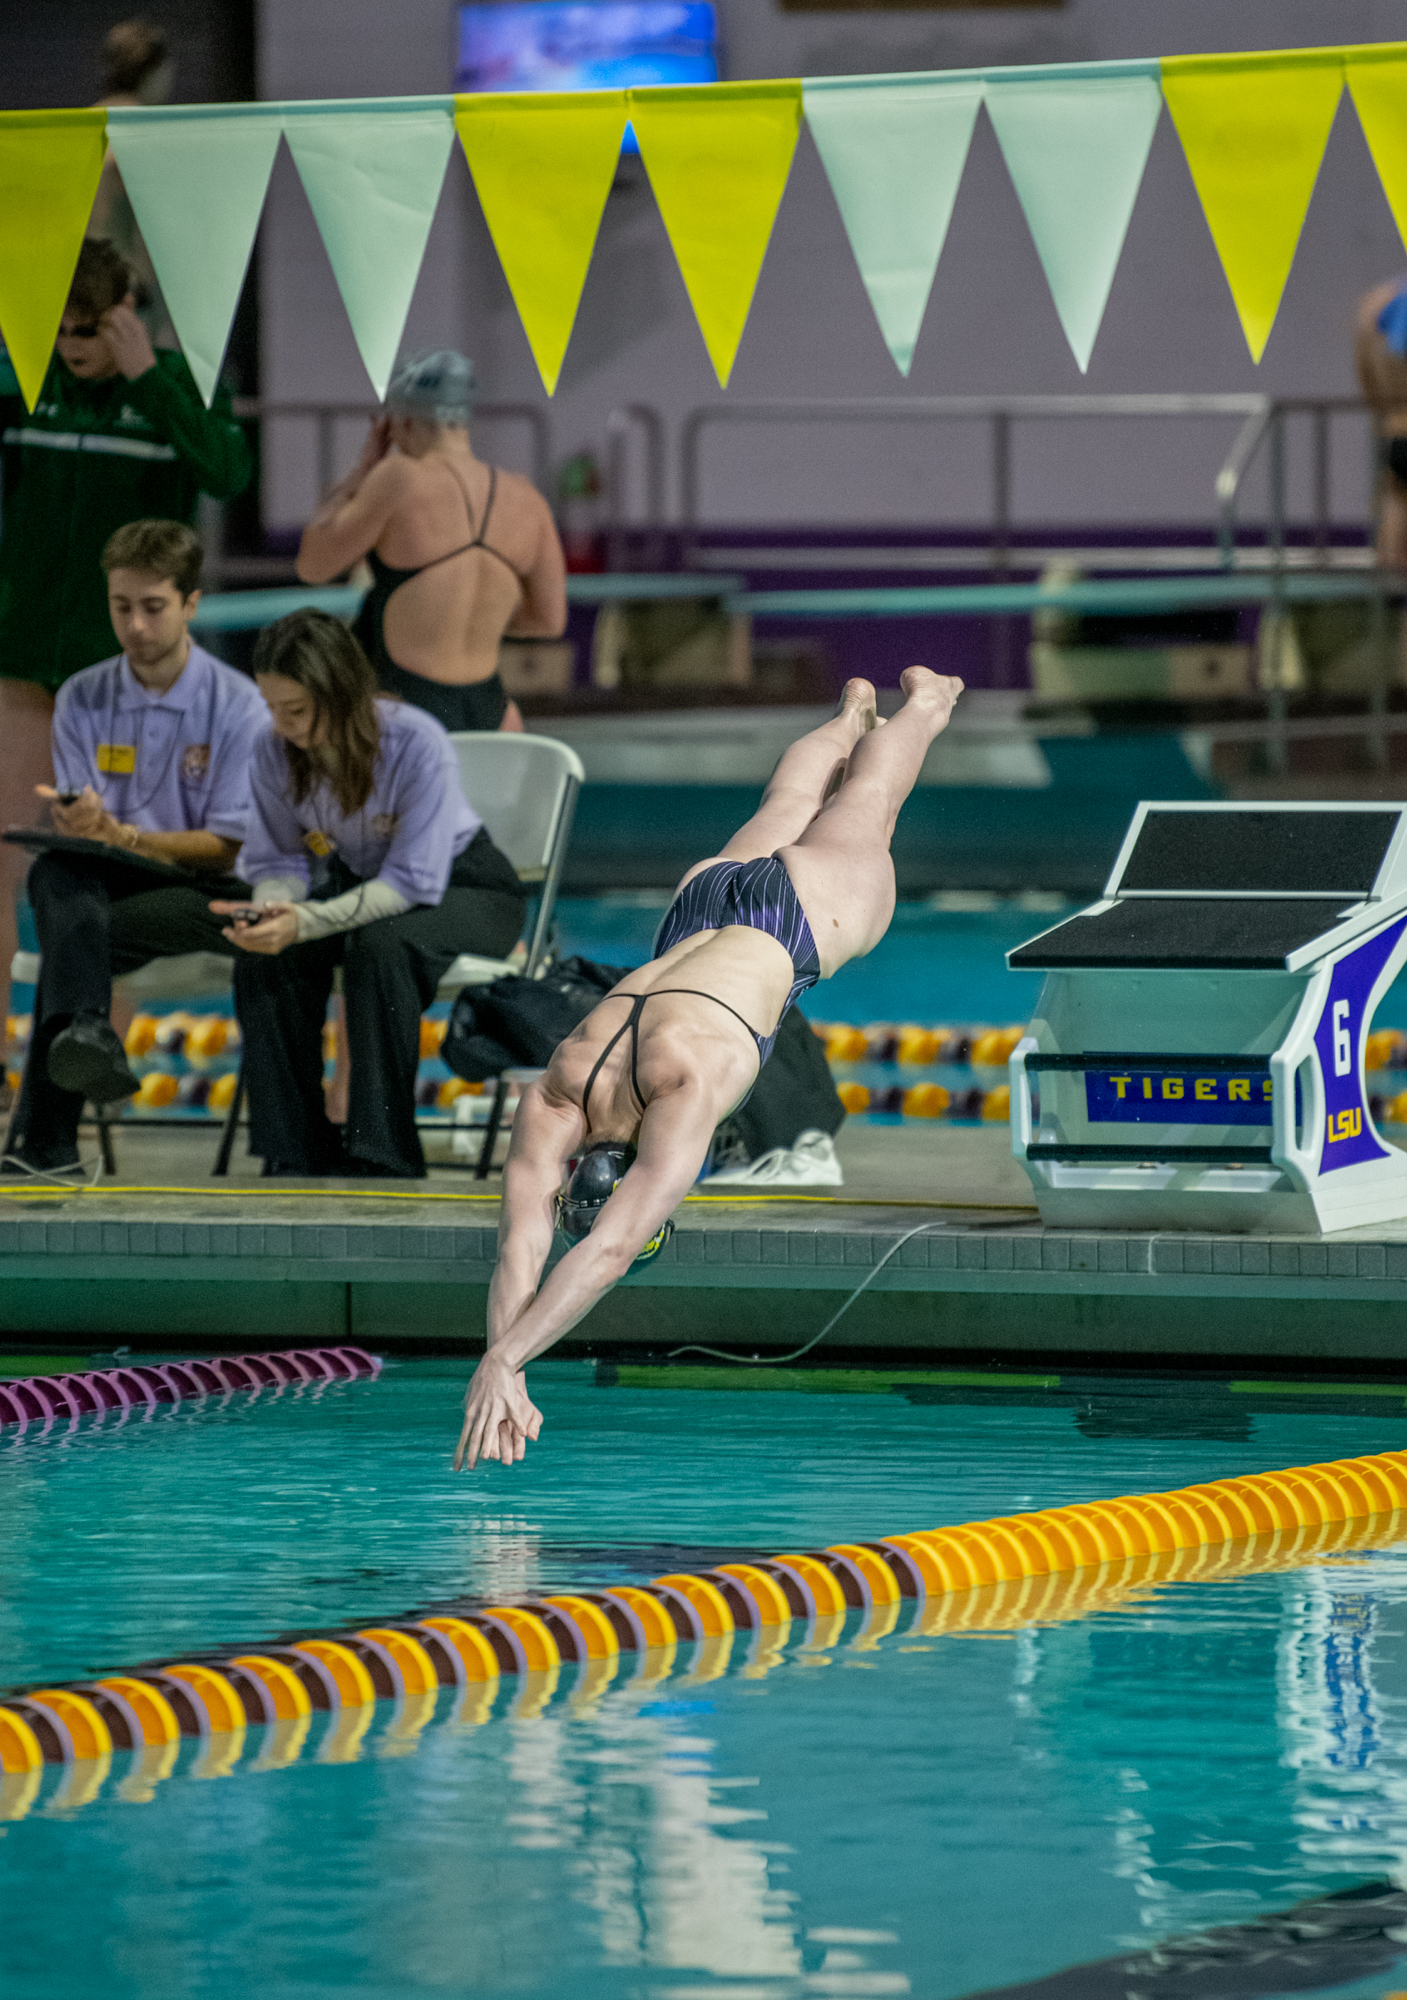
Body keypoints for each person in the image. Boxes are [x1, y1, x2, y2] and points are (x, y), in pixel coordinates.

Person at [453, 665, 964, 1472]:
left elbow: (607, 1252)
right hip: (699, 910)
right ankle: (850, 713)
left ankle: (928, 701)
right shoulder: (559, 1092)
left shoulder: (681, 1091)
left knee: (870, 802)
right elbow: (521, 1242)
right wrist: (500, 1359)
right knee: (786, 804)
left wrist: (510, 1361)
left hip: (791, 926)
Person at [0, 237, 253, 1031]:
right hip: (26, 656)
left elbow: (225, 473)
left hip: (123, 673)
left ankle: (85, 1047)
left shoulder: (177, 384)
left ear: (126, 317)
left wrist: (147, 375)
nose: (72, 348)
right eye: (62, 331)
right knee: (4, 861)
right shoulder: (27, 379)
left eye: (90, 330)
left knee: (101, 862)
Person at [216, 610, 526, 1179]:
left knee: (379, 947)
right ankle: (296, 1149)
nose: (283, 726)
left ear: (341, 694)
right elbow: (279, 857)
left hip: (469, 888)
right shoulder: (273, 749)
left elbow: (410, 882)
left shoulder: (414, 741)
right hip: (363, 888)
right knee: (265, 956)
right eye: (272, 708)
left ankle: (382, 1151)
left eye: (298, 711)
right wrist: (276, 908)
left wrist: (306, 921)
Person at [4, 520, 266, 1175]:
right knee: (60, 870)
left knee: (72, 930)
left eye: (154, 608)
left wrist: (126, 836)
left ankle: (45, 1145)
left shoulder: (238, 707)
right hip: (106, 880)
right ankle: (89, 1032)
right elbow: (77, 824)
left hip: (207, 890)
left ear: (191, 604)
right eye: (122, 607)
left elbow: (228, 850)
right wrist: (77, 821)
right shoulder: (83, 696)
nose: (137, 626)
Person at [295, 350, 567, 734]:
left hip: (405, 712)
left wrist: (362, 470)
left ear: (399, 420)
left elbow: (313, 564)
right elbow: (548, 620)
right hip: (493, 713)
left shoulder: (399, 477)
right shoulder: (528, 499)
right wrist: (469, 614)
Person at [89, 19, 177, 350]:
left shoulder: (85, 125)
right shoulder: (149, 132)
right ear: (153, 70)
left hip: (81, 295)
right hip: (134, 301)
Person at [1356, 278, 1407, 570]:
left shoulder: (1379, 302)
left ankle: (1386, 591)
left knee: (1396, 497)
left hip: (1397, 430)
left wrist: (1382, 410)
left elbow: (1364, 368)